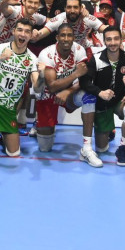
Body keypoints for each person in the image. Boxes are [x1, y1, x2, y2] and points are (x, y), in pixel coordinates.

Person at [36, 24, 99, 165]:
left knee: (89, 97)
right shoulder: (46, 54)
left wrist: (68, 91)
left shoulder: (79, 50)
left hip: (70, 92)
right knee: (45, 148)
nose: (66, 39)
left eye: (69, 35)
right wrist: (75, 74)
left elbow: (85, 79)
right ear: (57, 37)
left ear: (73, 38)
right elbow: (52, 86)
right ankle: (37, 122)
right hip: (47, 94)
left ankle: (87, 148)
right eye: (62, 35)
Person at [0, 18, 45, 157]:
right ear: (13, 31)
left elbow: (37, 88)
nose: (23, 34)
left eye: (27, 32)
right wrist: (0, 59)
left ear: (31, 35)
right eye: (20, 30)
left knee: (14, 153)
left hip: (7, 106)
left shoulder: (32, 59)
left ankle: (1, 128)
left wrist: (42, 76)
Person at [79, 26, 125, 165]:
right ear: (104, 41)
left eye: (116, 39)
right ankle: (110, 130)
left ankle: (122, 147)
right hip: (102, 103)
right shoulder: (96, 59)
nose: (113, 43)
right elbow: (84, 82)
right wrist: (100, 92)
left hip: (120, 101)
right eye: (109, 39)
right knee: (102, 149)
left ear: (121, 40)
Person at [32, 0, 107, 49]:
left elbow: (106, 29)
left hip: (83, 50)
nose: (72, 11)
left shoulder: (87, 18)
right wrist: (36, 34)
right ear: (65, 8)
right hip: (62, 50)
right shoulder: (59, 19)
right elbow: (40, 34)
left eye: (75, 7)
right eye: (69, 7)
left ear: (81, 8)